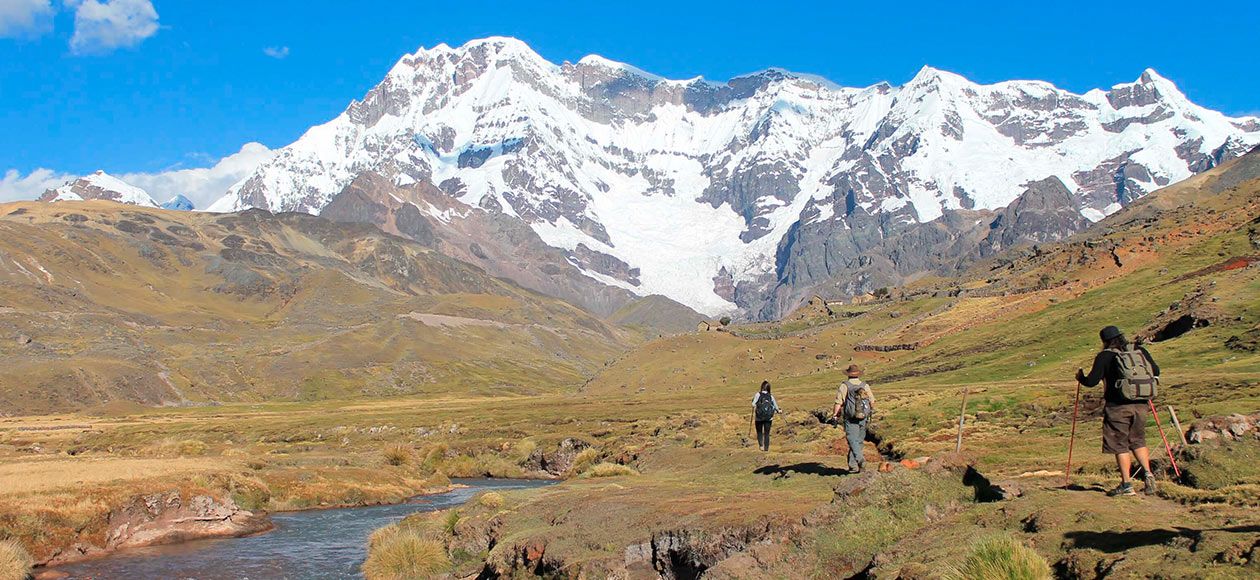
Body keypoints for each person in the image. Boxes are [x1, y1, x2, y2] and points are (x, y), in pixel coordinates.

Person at [1076, 325, 1161, 496]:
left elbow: (1092, 381)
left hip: (1117, 407)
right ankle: (1148, 473)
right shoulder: (1138, 351)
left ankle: (1127, 485)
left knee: (1119, 444)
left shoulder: (1105, 356)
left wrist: (1081, 378)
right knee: (1138, 440)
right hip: (1141, 403)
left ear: (1104, 341)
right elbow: (1156, 371)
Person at [834, 364, 875, 473]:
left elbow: (839, 402)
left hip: (850, 417)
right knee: (859, 441)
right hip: (863, 417)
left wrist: (835, 415)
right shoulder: (864, 385)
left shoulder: (845, 386)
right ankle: (853, 467)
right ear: (858, 375)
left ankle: (860, 460)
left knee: (852, 439)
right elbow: (872, 401)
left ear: (848, 375)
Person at [752, 380, 781, 451]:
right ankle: (766, 449)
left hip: (759, 418)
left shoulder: (758, 395)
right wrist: (778, 411)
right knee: (767, 433)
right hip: (769, 418)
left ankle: (761, 446)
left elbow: (753, 404)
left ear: (762, 387)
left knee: (759, 432)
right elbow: (775, 406)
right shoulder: (770, 396)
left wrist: (756, 405)